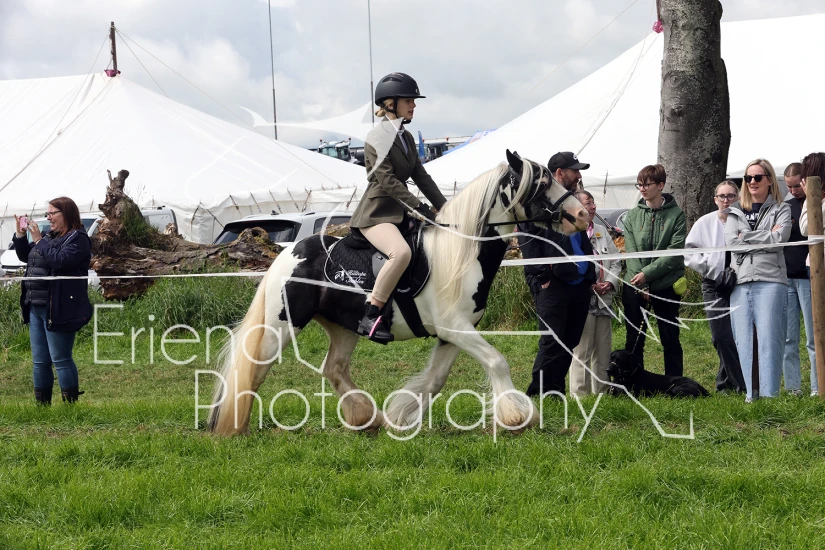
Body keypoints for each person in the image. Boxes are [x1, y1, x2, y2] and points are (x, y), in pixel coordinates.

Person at [349, 72, 447, 343]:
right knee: (401, 253)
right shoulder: (376, 137)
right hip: (376, 214)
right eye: (408, 101)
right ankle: (371, 314)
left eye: (414, 101)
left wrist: (445, 207)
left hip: (399, 212)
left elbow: (421, 176)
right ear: (390, 103)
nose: (413, 105)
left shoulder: (405, 136)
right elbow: (388, 181)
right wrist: (420, 207)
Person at [518, 152, 596, 397]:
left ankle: (554, 392)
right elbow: (528, 239)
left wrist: (589, 276)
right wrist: (543, 276)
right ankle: (537, 394)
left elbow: (582, 238)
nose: (579, 175)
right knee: (552, 340)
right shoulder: (537, 201)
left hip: (579, 283)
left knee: (570, 340)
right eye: (575, 170)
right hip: (553, 283)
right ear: (560, 173)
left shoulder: (572, 202)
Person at [13, 197, 93, 405]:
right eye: (47, 214)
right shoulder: (49, 236)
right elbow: (28, 256)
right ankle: (42, 408)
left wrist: (39, 240)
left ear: (65, 214)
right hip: (35, 306)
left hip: (59, 306)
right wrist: (21, 236)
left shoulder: (78, 239)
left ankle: (70, 408)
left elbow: (59, 260)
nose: (48, 218)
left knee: (60, 359)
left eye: (52, 213)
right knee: (39, 361)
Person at [725, 159, 791, 402]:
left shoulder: (781, 208)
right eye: (748, 178)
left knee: (770, 339)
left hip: (771, 279)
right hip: (740, 282)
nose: (752, 182)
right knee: (743, 340)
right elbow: (732, 243)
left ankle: (769, 396)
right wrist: (765, 237)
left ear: (769, 180)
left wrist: (747, 237)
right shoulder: (734, 210)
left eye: (757, 177)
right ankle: (751, 396)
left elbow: (780, 239)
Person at [622, 164, 686, 376]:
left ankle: (675, 382)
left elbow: (673, 253)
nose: (642, 188)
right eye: (639, 185)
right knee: (634, 338)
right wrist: (641, 282)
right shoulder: (632, 216)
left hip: (665, 284)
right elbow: (631, 252)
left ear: (660, 185)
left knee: (670, 337)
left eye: (646, 184)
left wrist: (647, 275)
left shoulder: (677, 215)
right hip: (635, 284)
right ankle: (633, 382)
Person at [684, 180, 745, 393]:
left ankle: (724, 383)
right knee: (720, 335)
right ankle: (740, 384)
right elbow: (689, 253)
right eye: (722, 196)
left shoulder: (743, 221)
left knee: (736, 335)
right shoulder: (705, 222)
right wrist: (711, 270)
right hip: (713, 283)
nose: (726, 200)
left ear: (738, 198)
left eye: (731, 196)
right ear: (715, 199)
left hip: (740, 281)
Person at [570, 190, 620, 396]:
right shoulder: (571, 231)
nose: (592, 207)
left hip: (604, 299)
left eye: (593, 203)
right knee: (582, 350)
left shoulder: (601, 230)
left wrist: (609, 282)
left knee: (603, 348)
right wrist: (590, 285)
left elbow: (616, 261)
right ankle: (580, 396)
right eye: (587, 203)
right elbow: (572, 266)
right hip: (584, 298)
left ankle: (602, 392)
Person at [781, 163, 815, 396]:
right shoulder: (786, 206)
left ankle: (817, 386)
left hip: (809, 278)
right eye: (789, 186)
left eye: (796, 186)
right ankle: (793, 387)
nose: (793, 191)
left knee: (813, 336)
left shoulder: (815, 203)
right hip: (786, 278)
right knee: (788, 337)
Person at [798, 152, 825, 396]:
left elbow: (807, 227)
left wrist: (808, 199)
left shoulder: (819, 201)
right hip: (814, 265)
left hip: (821, 267)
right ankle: (818, 385)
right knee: (815, 328)